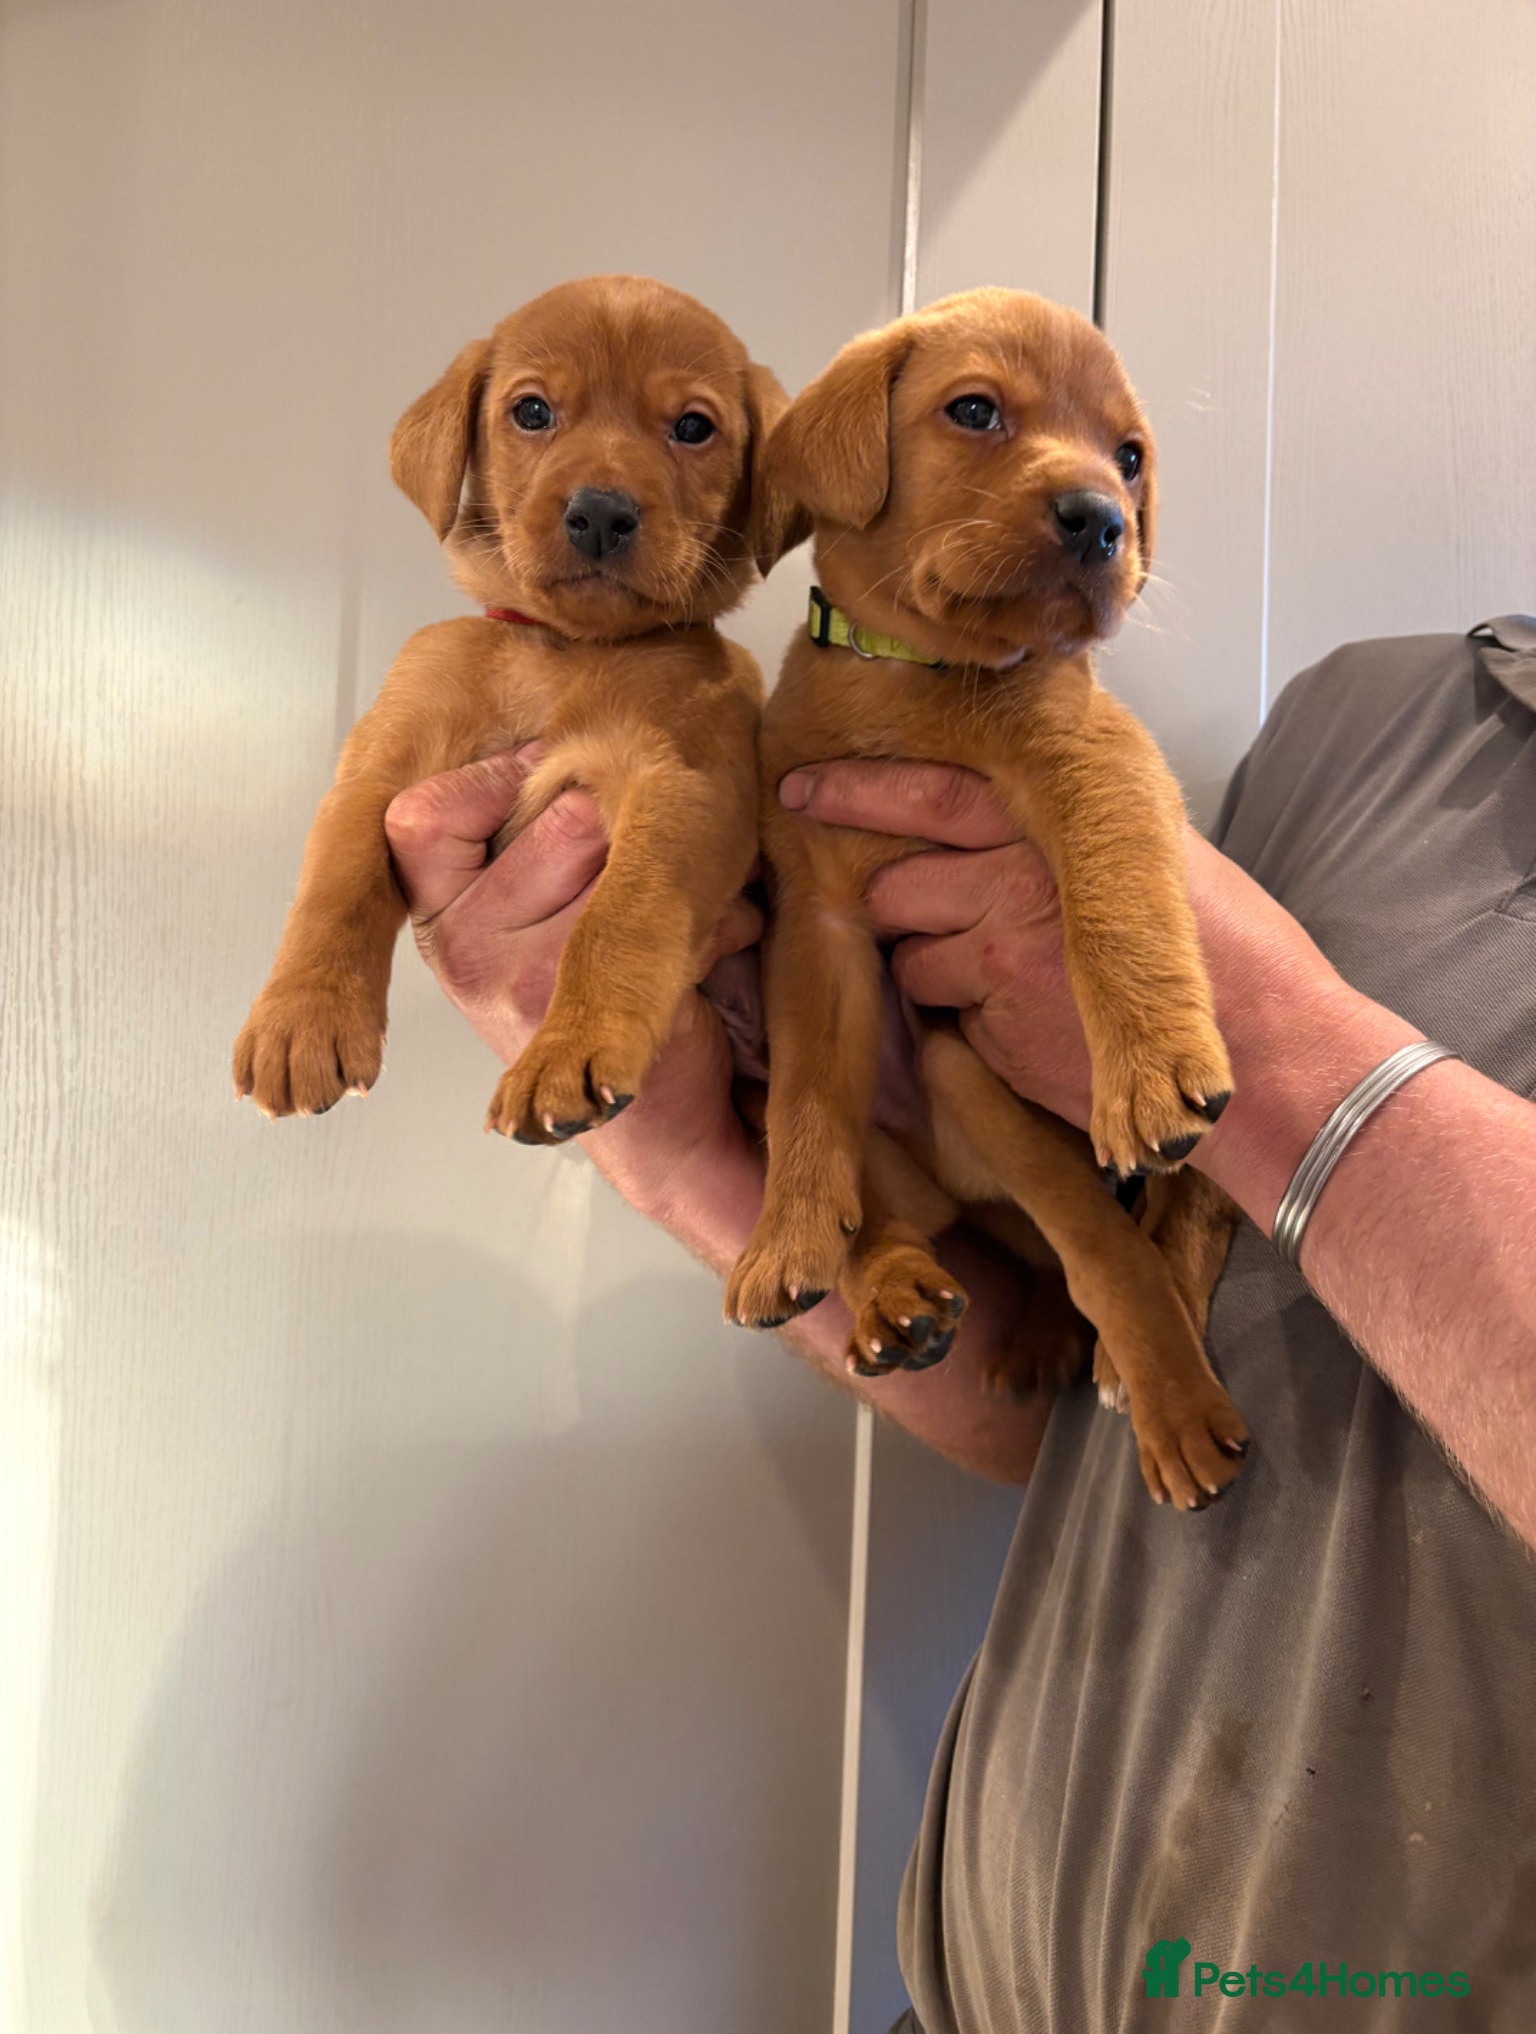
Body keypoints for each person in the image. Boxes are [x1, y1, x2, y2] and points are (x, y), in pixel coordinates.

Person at [384, 619, 1536, 2031]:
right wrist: (700, 1169)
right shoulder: (1380, 708)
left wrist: (1264, 1044)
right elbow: (1072, 1434)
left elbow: (1198, 1079)